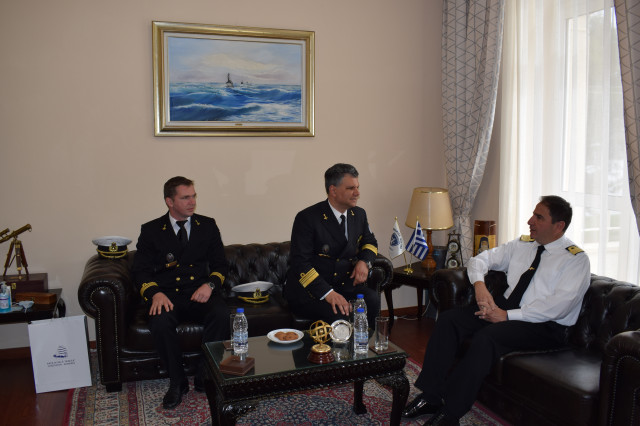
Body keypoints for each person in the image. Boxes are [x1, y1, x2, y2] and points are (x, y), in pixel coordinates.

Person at [402, 195, 590, 426]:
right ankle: (431, 397)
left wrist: (507, 316)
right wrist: (479, 286)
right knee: (450, 320)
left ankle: (451, 413)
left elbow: (559, 306)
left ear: (558, 226)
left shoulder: (575, 260)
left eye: (539, 217)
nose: (530, 221)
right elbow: (479, 261)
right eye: (533, 214)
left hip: (543, 325)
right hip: (506, 308)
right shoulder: (523, 245)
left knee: (487, 338)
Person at [132, 176, 229, 410]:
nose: (192, 202)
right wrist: (154, 293)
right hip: (168, 296)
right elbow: (140, 270)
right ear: (169, 201)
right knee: (160, 321)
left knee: (222, 314)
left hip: (199, 293)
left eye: (194, 196)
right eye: (185, 197)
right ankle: (177, 382)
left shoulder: (207, 225)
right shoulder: (151, 230)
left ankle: (205, 374)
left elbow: (221, 265)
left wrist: (210, 285)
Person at [285, 163, 380, 327]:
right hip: (312, 291)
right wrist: (327, 293)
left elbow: (370, 243)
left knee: (372, 299)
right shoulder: (307, 218)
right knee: (337, 313)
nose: (357, 193)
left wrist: (365, 262)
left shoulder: (359, 214)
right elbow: (300, 263)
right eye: (351, 188)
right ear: (333, 191)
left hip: (343, 286)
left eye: (357, 187)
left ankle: (367, 342)